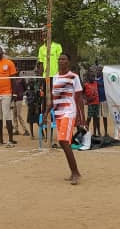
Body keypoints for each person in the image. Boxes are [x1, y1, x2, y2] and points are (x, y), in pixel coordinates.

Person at [46, 53, 85, 185]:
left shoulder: (74, 77)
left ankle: (75, 173)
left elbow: (79, 99)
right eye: (60, 59)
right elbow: (53, 98)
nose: (61, 61)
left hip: (69, 112)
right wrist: (46, 113)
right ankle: (75, 172)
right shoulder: (55, 77)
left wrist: (81, 118)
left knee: (62, 141)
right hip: (58, 114)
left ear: (68, 62)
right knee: (64, 143)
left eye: (64, 59)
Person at [83, 70, 101, 138]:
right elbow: (82, 93)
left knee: (96, 118)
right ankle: (86, 132)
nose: (93, 78)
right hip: (91, 104)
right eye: (91, 76)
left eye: (94, 76)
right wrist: (85, 99)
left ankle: (96, 132)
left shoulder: (96, 83)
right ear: (88, 77)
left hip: (96, 103)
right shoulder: (86, 85)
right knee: (89, 118)